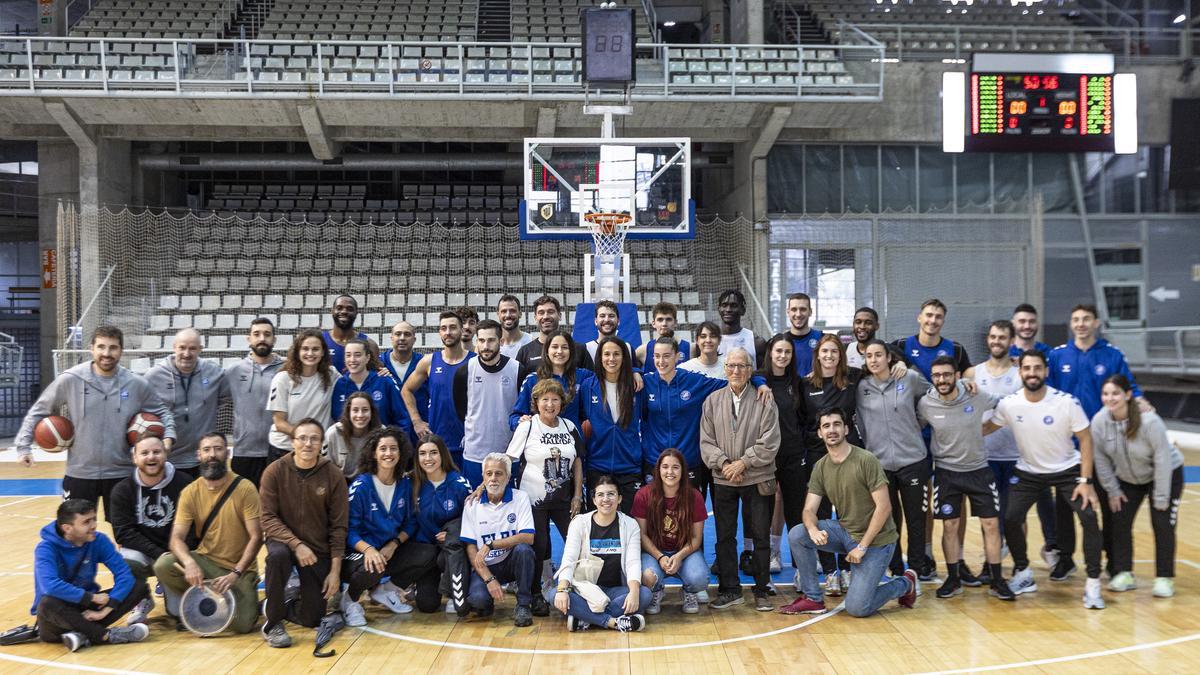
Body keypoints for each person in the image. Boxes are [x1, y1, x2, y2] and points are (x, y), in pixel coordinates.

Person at [984, 350, 1106, 609]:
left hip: (1068, 470)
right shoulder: (1009, 404)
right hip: (1028, 471)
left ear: (1046, 371)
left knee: (1089, 518)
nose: (1032, 373)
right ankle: (1023, 572)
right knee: (1011, 518)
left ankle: (1093, 583)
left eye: (1037, 368)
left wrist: (1086, 481)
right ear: (1020, 373)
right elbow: (986, 428)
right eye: (1027, 369)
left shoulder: (1066, 402)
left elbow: (1085, 440)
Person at [14, 325, 175, 519]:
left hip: (121, 473)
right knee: (75, 534)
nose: (106, 353)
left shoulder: (136, 383)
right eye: (101, 347)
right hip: (80, 473)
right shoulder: (71, 379)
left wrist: (168, 437)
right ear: (92, 348)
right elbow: (39, 411)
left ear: (121, 350)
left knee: (125, 534)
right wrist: (23, 447)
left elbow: (162, 412)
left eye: (113, 348)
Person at [780, 408, 919, 617]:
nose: (831, 430)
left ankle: (904, 583)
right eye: (826, 426)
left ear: (846, 429)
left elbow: (884, 507)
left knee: (857, 608)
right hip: (846, 532)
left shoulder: (866, 459)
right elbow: (809, 509)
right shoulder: (821, 466)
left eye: (836, 424)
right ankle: (813, 599)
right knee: (798, 534)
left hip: (877, 541)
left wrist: (862, 547)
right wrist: (812, 529)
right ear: (819, 433)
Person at [918, 356, 1015, 601]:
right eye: (937, 375)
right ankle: (953, 578)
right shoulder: (926, 404)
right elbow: (914, 427)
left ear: (957, 375)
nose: (942, 379)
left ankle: (996, 579)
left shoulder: (976, 395)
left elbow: (1004, 406)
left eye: (947, 374)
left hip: (978, 470)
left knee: (991, 524)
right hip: (946, 472)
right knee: (950, 525)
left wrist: (986, 429)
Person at [155, 432, 262, 635]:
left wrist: (236, 573)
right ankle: (200, 598)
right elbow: (176, 539)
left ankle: (232, 600)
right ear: (199, 455)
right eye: (207, 450)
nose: (212, 454)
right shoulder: (189, 492)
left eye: (218, 449)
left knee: (243, 625)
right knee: (164, 564)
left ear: (227, 453)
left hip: (239, 570)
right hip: (206, 562)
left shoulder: (245, 488)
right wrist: (189, 562)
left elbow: (257, 537)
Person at [975, 319, 1058, 581]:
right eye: (992, 337)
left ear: (1012, 341)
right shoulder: (972, 373)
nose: (996, 341)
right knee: (989, 517)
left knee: (1015, 515)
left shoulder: (1020, 373)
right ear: (987, 340)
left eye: (1002, 337)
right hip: (984, 457)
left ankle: (1020, 567)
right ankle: (991, 564)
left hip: (1017, 456)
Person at [700, 347, 781, 612]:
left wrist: (744, 462)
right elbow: (706, 442)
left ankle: (761, 590)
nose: (736, 371)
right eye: (731, 366)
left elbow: (770, 441)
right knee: (724, 537)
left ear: (750, 371)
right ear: (725, 369)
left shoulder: (764, 400)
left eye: (742, 366)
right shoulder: (712, 401)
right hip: (723, 478)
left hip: (757, 477)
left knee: (760, 536)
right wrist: (724, 464)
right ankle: (730, 590)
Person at [641, 336, 770, 498]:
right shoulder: (646, 383)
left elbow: (731, 382)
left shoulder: (693, 381)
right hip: (655, 461)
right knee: (656, 515)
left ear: (677, 356)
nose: (661, 361)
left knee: (690, 515)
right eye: (657, 356)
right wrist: (634, 372)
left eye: (666, 356)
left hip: (688, 461)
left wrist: (758, 381)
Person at [259, 418, 349, 647]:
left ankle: (282, 601)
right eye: (302, 438)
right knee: (277, 556)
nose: (308, 444)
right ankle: (273, 622)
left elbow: (339, 527)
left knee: (312, 618)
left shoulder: (333, 475)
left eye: (314, 439)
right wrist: (296, 544)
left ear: (321, 444)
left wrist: (335, 572)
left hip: (317, 549)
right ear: (293, 442)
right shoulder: (274, 471)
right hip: (284, 542)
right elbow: (267, 518)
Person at [340, 426, 443, 626]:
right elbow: (348, 531)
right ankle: (350, 600)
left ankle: (385, 592)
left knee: (429, 553)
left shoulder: (404, 484)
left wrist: (394, 543)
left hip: (388, 550)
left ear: (401, 452)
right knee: (372, 566)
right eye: (383, 449)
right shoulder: (361, 487)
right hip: (356, 553)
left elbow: (411, 522)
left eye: (393, 448)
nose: (389, 453)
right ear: (374, 453)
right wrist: (369, 550)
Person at [1092, 374, 1183, 599]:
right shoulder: (1099, 421)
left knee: (1162, 523)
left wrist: (1161, 497)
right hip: (1128, 478)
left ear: (1128, 395)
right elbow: (1100, 460)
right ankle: (1124, 573)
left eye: (1115, 393)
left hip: (1165, 474)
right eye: (1106, 394)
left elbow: (1162, 459)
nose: (1110, 398)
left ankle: (1164, 578)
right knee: (1119, 519)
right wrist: (1112, 490)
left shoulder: (1150, 422)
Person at [797, 334, 873, 593]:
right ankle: (830, 572)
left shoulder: (853, 378)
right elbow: (801, 420)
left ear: (841, 355)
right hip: (818, 458)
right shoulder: (806, 384)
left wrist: (897, 363)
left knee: (848, 515)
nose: (829, 356)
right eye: (824, 351)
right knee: (820, 514)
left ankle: (849, 568)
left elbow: (881, 361)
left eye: (834, 352)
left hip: (849, 458)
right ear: (817, 355)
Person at [857, 339, 935, 581]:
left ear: (889, 357)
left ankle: (915, 570)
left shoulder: (908, 378)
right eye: (869, 356)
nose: (874, 360)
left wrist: (918, 422)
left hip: (913, 460)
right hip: (879, 465)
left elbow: (932, 394)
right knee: (888, 521)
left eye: (878, 355)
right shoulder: (861, 387)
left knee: (916, 519)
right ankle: (896, 569)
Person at [506, 378, 584, 614]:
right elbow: (509, 459)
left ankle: (578, 588)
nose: (550, 404)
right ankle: (534, 594)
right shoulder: (527, 427)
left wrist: (578, 495)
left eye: (555, 399)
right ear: (536, 403)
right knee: (538, 548)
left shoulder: (569, 427)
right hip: (533, 500)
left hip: (564, 499)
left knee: (577, 542)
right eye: (545, 399)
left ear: (562, 402)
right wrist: (488, 485)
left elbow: (578, 461)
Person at [32, 499, 151, 652]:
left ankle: (82, 636)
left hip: (88, 611)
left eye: (94, 519)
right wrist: (92, 598)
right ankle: (104, 636)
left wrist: (105, 610)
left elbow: (124, 575)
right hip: (56, 619)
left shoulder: (98, 540)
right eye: (86, 522)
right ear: (67, 528)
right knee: (47, 602)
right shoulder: (46, 548)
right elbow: (50, 586)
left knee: (138, 586)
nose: (94, 525)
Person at [109, 434, 193, 624]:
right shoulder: (122, 490)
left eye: (157, 452)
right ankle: (142, 598)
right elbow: (123, 532)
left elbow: (194, 526)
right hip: (143, 552)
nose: (151, 457)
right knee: (124, 561)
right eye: (144, 453)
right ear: (134, 458)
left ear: (165, 454)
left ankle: (172, 587)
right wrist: (158, 553)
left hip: (175, 553)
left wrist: (177, 555)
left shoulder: (185, 484)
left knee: (177, 614)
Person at [554, 474, 650, 632]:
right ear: (593, 500)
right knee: (555, 595)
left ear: (619, 498)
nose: (606, 499)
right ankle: (613, 622)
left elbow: (633, 562)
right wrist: (563, 590)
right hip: (585, 589)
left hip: (615, 590)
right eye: (600, 494)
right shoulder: (579, 523)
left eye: (611, 494)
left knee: (644, 594)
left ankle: (584, 618)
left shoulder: (630, 524)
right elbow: (569, 558)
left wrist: (633, 592)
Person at [459, 453, 537, 627]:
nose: (493, 478)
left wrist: (491, 544)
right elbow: (471, 547)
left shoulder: (520, 497)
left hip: (510, 561)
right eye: (489, 474)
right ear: (483, 477)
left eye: (499, 474)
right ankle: (488, 599)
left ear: (508, 477)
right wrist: (489, 579)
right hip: (485, 566)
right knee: (478, 602)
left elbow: (528, 537)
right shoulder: (472, 504)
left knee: (524, 550)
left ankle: (523, 604)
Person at [145, 328, 231, 480]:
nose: (187, 353)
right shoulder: (154, 376)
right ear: (174, 347)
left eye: (192, 348)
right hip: (171, 458)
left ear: (200, 349)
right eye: (182, 347)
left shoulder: (213, 372)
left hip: (204, 457)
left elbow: (227, 395)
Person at [633, 449, 708, 615]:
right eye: (665, 467)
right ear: (658, 470)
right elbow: (642, 535)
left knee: (700, 578)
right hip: (654, 552)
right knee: (646, 577)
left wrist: (679, 556)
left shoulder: (694, 496)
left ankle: (689, 592)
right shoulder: (643, 495)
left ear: (683, 471)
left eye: (675, 467)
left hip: (684, 551)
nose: (670, 472)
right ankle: (656, 590)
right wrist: (660, 557)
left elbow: (696, 538)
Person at [1048, 303, 1148, 419]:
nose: (1080, 324)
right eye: (1076, 320)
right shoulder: (1056, 355)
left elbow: (1127, 385)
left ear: (1096, 323)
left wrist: (1140, 400)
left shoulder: (1113, 355)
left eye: (1086, 319)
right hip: (1065, 426)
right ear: (1071, 324)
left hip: (1103, 425)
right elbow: (1047, 389)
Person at [580, 336, 646, 511]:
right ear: (600, 357)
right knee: (599, 526)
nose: (611, 358)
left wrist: (635, 371)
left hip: (629, 466)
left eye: (617, 354)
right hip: (597, 466)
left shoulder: (636, 385)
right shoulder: (588, 386)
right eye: (606, 354)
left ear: (624, 357)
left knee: (631, 524)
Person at [402, 310, 474, 468]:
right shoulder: (429, 362)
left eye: (453, 327)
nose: (448, 332)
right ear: (440, 332)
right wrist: (417, 421)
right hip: (437, 442)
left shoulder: (475, 361)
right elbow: (406, 390)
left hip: (469, 442)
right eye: (443, 328)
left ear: (462, 330)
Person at [411, 434, 473, 612]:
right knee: (427, 605)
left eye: (433, 453)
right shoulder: (412, 483)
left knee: (446, 555)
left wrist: (453, 533)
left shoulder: (459, 484)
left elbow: (472, 519)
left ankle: (456, 592)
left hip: (451, 550)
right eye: (422, 453)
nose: (428, 458)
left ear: (443, 455)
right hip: (425, 551)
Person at [455, 319, 521, 486]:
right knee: (475, 504)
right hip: (474, 454)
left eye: (491, 340)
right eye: (481, 340)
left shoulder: (517, 369)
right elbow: (461, 410)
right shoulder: (464, 371)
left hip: (508, 453)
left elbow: (522, 410)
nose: (485, 346)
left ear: (501, 341)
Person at [762, 334, 806, 581]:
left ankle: (802, 568)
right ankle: (772, 553)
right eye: (778, 351)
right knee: (765, 509)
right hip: (766, 457)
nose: (782, 356)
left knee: (795, 511)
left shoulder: (798, 383)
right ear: (770, 352)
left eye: (787, 352)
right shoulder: (759, 380)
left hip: (793, 455)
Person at [224, 317, 284, 486]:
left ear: (274, 339)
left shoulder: (286, 369)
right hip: (244, 451)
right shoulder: (234, 371)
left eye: (267, 334)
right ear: (249, 339)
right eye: (256, 334)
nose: (262, 338)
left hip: (277, 450)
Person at [266, 328, 340, 461]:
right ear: (297, 352)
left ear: (323, 352)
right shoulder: (282, 379)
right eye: (305, 349)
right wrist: (306, 439)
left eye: (315, 349)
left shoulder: (331, 375)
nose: (310, 353)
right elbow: (279, 423)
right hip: (284, 449)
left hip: (316, 450)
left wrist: (381, 371)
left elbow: (353, 381)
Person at [509, 330, 590, 431]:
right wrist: (521, 421)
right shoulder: (533, 380)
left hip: (572, 442)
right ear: (547, 351)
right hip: (541, 442)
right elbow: (515, 417)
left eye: (564, 347)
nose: (559, 351)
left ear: (571, 351)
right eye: (555, 347)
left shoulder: (584, 376)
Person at [331, 338, 406, 430]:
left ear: (367, 358)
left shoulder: (384, 381)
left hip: (380, 441)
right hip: (348, 442)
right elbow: (336, 418)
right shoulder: (340, 384)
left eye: (357, 355)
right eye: (348, 355)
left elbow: (402, 418)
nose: (352, 359)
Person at [890, 298, 972, 380]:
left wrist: (967, 381)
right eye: (929, 315)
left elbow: (966, 376)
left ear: (943, 322)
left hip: (942, 392)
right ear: (919, 318)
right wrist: (898, 362)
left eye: (938, 317)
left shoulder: (956, 349)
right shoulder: (900, 345)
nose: (933, 320)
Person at [515, 294, 595, 371]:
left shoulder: (579, 349)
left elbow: (590, 381)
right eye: (541, 313)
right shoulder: (525, 352)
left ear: (560, 316)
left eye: (550, 312)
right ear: (535, 318)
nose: (546, 317)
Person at [382, 319, 427, 440]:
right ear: (391, 338)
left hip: (418, 432)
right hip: (388, 432)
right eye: (398, 334)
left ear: (414, 339)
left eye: (407, 334)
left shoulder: (423, 364)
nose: (402, 338)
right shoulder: (379, 364)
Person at [324, 391, 382, 479]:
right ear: (348, 412)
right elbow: (325, 467)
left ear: (372, 412)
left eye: (365, 410)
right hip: (339, 482)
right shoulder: (333, 434)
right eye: (355, 410)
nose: (360, 415)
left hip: (368, 484)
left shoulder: (380, 433)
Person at [715, 289, 766, 367]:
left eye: (734, 305)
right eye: (724, 305)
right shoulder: (710, 341)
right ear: (719, 309)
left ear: (743, 310)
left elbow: (762, 373)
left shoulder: (756, 342)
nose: (728, 310)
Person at [636, 301, 689, 374]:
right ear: (653, 323)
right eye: (660, 320)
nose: (664, 324)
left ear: (676, 323)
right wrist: (635, 373)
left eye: (668, 319)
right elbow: (628, 371)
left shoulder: (690, 348)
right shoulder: (642, 350)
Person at [778, 292, 824, 376]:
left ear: (810, 312)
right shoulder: (779, 342)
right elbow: (765, 371)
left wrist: (820, 373)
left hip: (816, 387)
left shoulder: (822, 339)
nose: (798, 314)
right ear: (788, 312)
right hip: (789, 388)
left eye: (803, 309)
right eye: (794, 309)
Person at [323, 294, 368, 374]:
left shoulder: (369, 344)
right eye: (339, 308)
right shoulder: (320, 341)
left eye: (349, 309)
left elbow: (377, 374)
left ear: (356, 313)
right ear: (332, 311)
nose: (344, 311)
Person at [497, 293, 534, 359]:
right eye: (504, 311)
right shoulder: (491, 343)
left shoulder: (531, 342)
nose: (508, 315)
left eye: (512, 311)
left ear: (520, 313)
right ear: (498, 314)